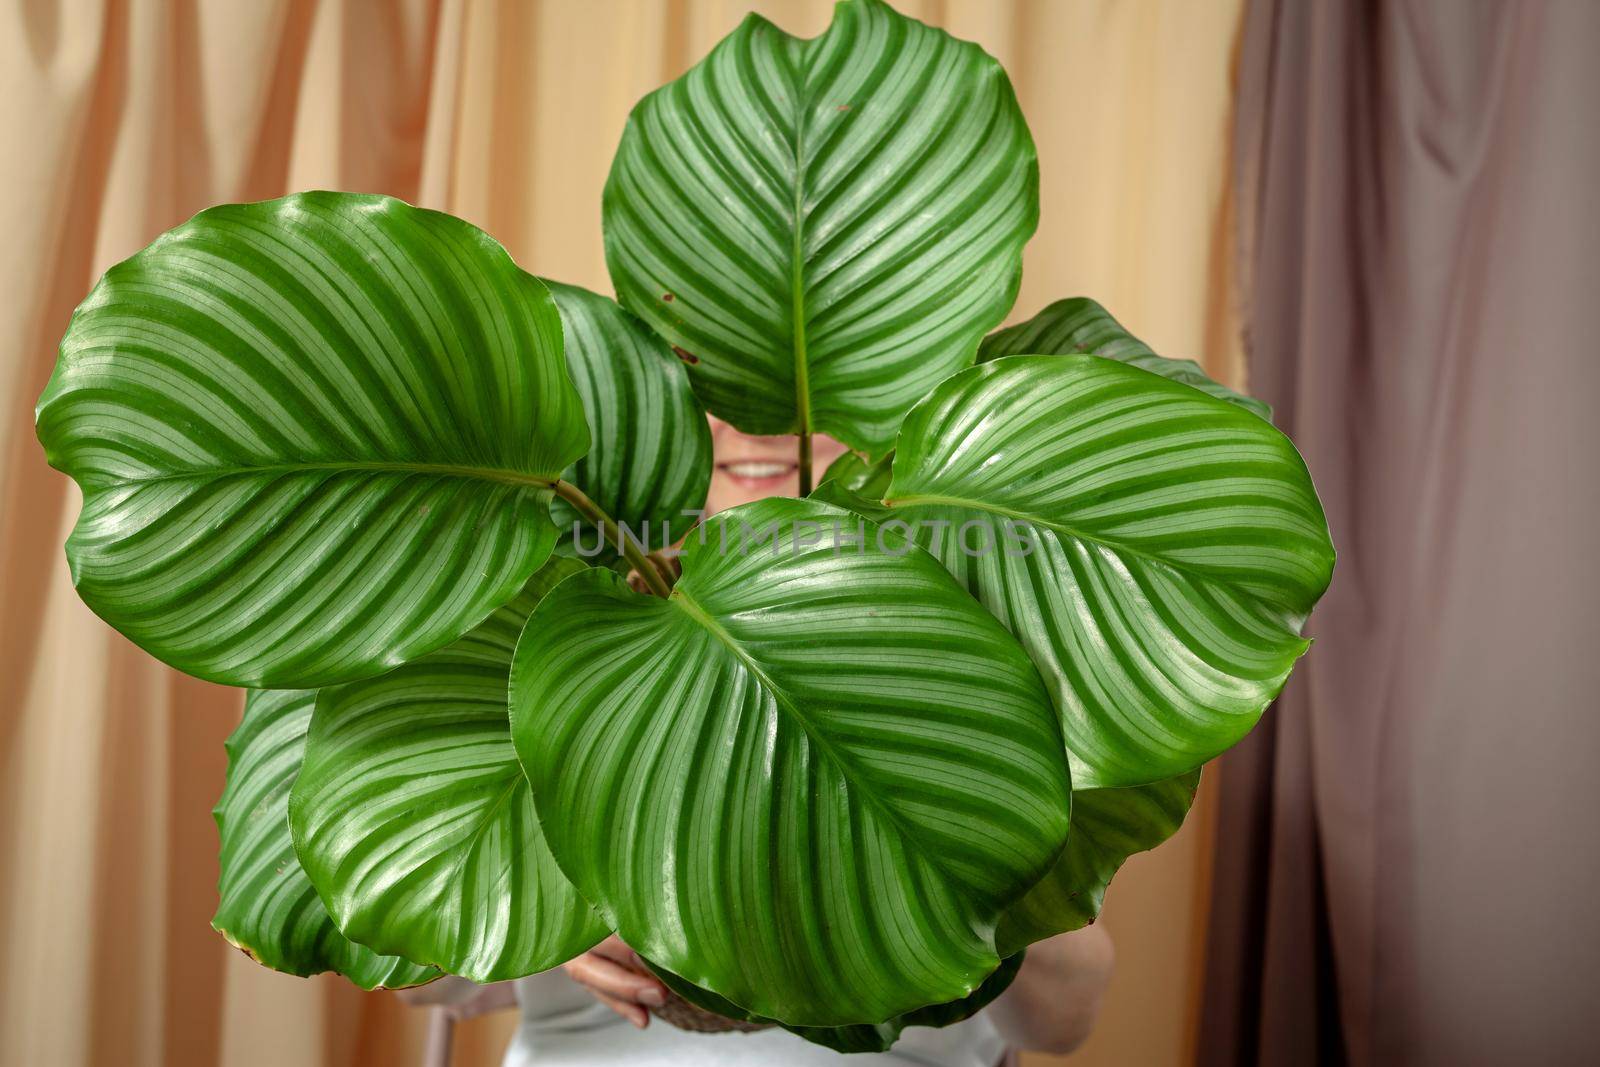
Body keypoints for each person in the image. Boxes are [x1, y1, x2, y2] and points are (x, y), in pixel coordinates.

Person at [404, 419, 1113, 1065]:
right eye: (707, 379)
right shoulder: (550, 614)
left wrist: (964, 890)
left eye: (783, 397)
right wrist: (550, 910)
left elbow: (1062, 1023)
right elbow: (417, 964)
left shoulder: (966, 623)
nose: (751, 424)